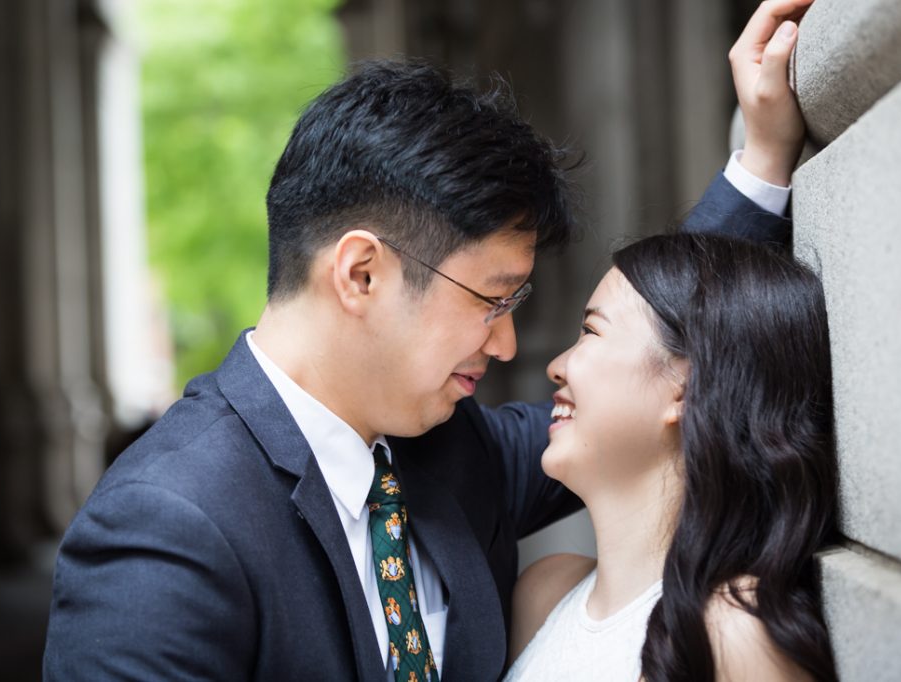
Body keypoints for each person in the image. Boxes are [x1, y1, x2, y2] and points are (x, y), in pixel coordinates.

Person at [42, 0, 811, 677]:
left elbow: (648, 364)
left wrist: (761, 164)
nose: (509, 345)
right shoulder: (168, 523)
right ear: (363, 275)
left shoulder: (450, 453)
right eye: (492, 299)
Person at [505, 231, 837, 682]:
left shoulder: (731, 635)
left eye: (590, 331)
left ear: (686, 385)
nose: (557, 365)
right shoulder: (542, 591)